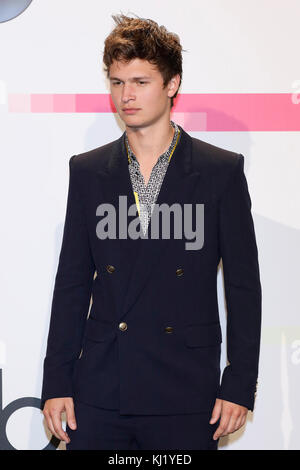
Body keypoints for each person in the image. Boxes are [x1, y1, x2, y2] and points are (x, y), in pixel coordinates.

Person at [41, 13, 262, 450]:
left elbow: (243, 286)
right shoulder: (86, 171)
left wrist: (239, 382)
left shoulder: (220, 171)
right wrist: (56, 380)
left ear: (172, 84)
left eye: (141, 82)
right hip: (103, 385)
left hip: (186, 387)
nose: (127, 95)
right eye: (118, 82)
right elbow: (71, 283)